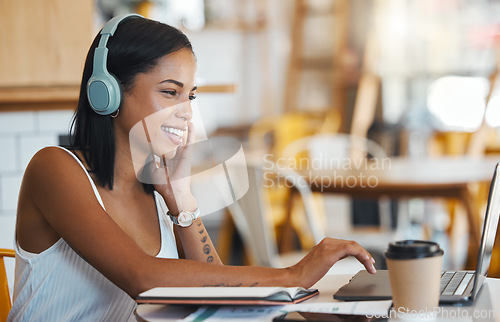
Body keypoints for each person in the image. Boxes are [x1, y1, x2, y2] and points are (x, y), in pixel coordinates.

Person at [8, 14, 376, 321]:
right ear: (108, 94)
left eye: (190, 95)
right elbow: (142, 276)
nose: (186, 111)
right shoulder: (54, 169)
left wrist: (182, 200)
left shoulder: (156, 188)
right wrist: (292, 275)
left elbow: (217, 296)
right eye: (170, 92)